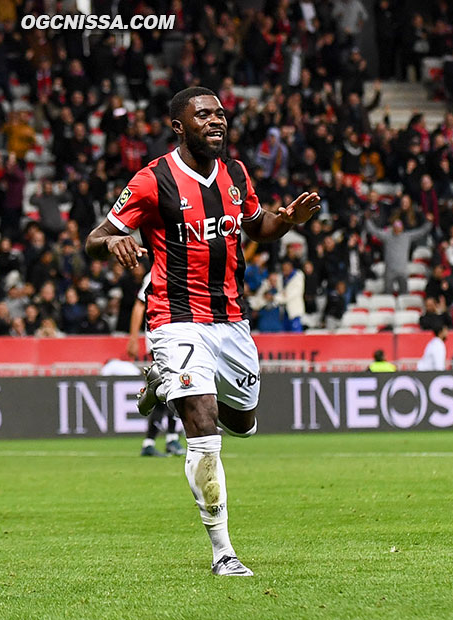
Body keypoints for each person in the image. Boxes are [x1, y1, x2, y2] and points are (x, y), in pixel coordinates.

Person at [85, 87, 322, 576]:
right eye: (204, 115)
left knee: (243, 424)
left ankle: (160, 382)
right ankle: (223, 553)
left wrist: (289, 221)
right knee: (204, 426)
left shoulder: (236, 174)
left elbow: (258, 228)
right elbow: (95, 237)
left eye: (220, 114)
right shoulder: (153, 180)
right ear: (179, 125)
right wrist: (114, 245)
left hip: (232, 322)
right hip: (175, 318)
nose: (218, 121)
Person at [128, 272, 185, 457]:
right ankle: (156, 441)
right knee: (164, 388)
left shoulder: (180, 270)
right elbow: (139, 305)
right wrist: (134, 337)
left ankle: (167, 439)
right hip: (161, 340)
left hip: (178, 339)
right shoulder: (155, 273)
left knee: (174, 388)